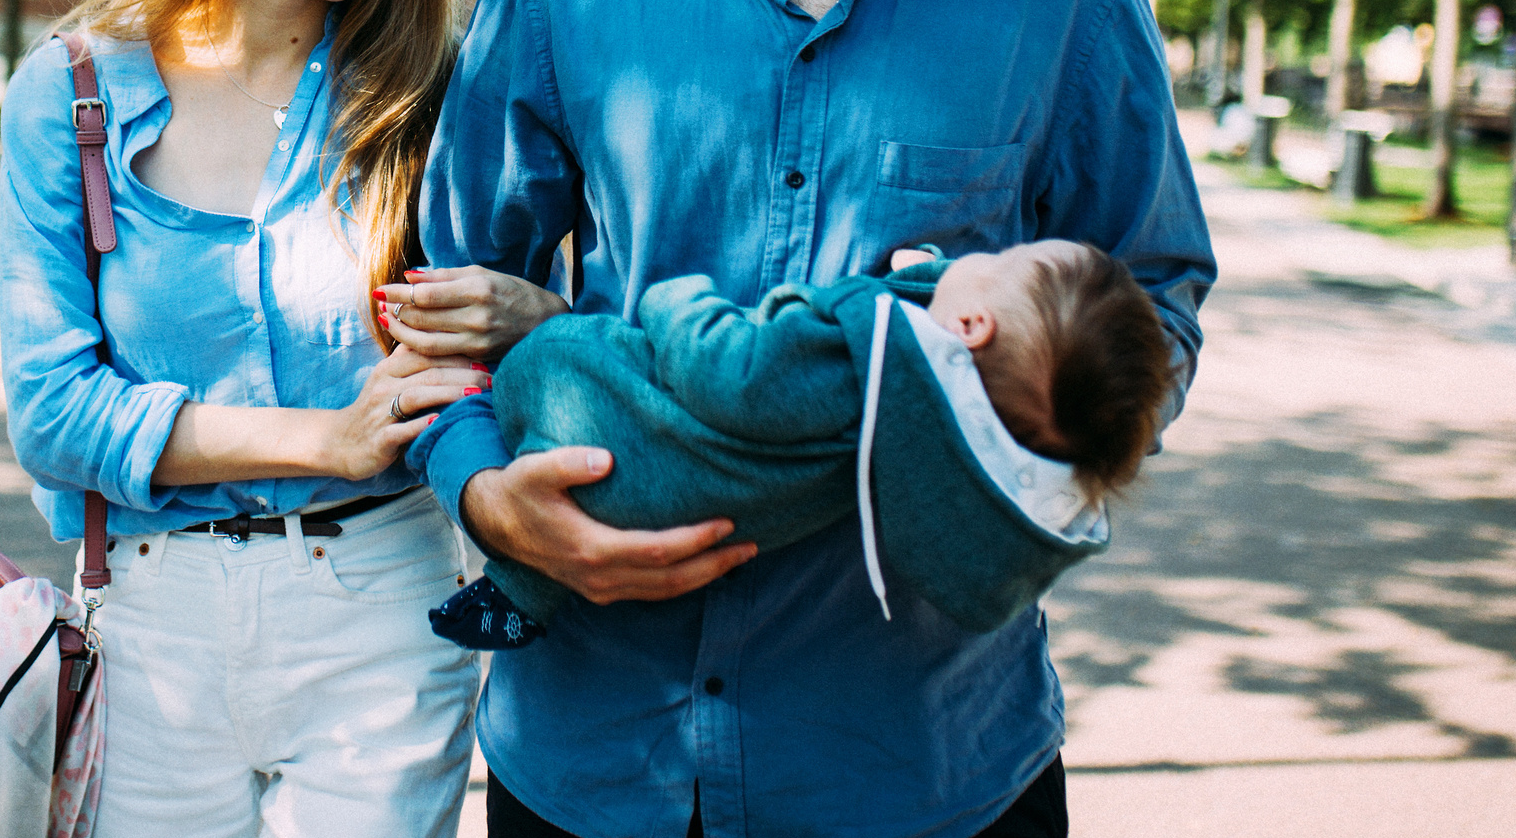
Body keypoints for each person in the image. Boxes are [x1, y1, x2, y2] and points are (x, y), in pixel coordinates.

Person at [390, 0, 1216, 838]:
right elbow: (435, 311)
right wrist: (490, 498)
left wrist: (999, 449)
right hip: (598, 765)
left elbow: (1158, 302)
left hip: (928, 775)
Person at [0, 0, 522, 838]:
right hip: (145, 624)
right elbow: (52, 415)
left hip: (381, 604)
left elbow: (470, 361)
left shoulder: (425, 99)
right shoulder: (72, 93)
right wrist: (326, 435)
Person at [429, 239, 1177, 648]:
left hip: (615, 442)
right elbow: (930, 336)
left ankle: (523, 589)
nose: (973, 257)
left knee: (567, 360)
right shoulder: (933, 445)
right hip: (700, 509)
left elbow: (726, 371)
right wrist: (928, 279)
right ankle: (527, 591)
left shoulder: (850, 359)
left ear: (971, 327)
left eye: (995, 260)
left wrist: (674, 296)